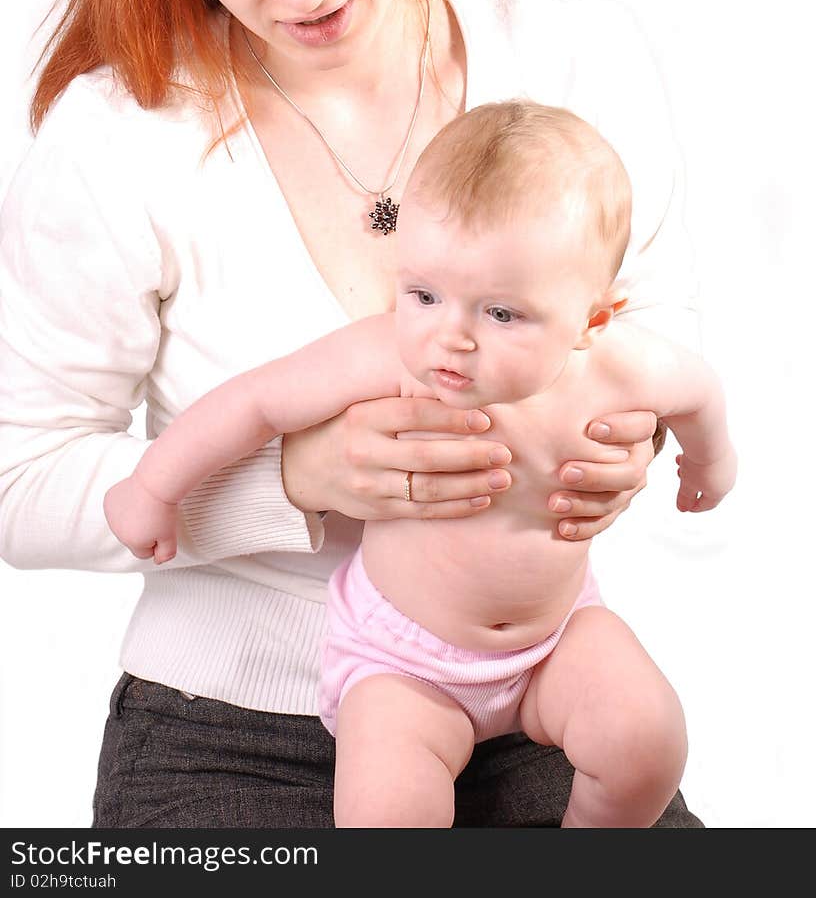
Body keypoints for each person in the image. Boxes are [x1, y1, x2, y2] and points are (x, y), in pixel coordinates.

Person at [0, 0, 705, 828]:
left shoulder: (575, 57)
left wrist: (633, 438)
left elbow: (651, 323)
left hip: (530, 687)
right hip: (227, 737)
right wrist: (293, 484)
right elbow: (15, 479)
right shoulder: (119, 136)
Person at [104, 100, 736, 827]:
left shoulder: (623, 368)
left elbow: (701, 394)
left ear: (594, 319)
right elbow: (255, 404)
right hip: (401, 663)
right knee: (389, 812)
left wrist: (707, 467)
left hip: (553, 641)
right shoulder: (392, 358)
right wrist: (154, 486)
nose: (451, 338)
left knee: (647, 738)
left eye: (500, 313)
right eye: (425, 294)